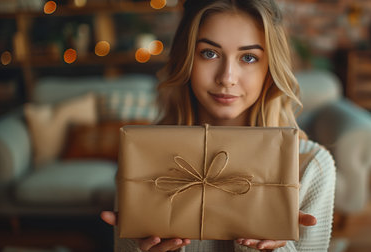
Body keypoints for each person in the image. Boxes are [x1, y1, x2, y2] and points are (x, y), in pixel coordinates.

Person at [101, 0, 336, 251]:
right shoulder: (142, 158)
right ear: (187, 60)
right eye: (209, 53)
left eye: (248, 57)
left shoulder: (312, 166)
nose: (226, 78)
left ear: (270, 68)